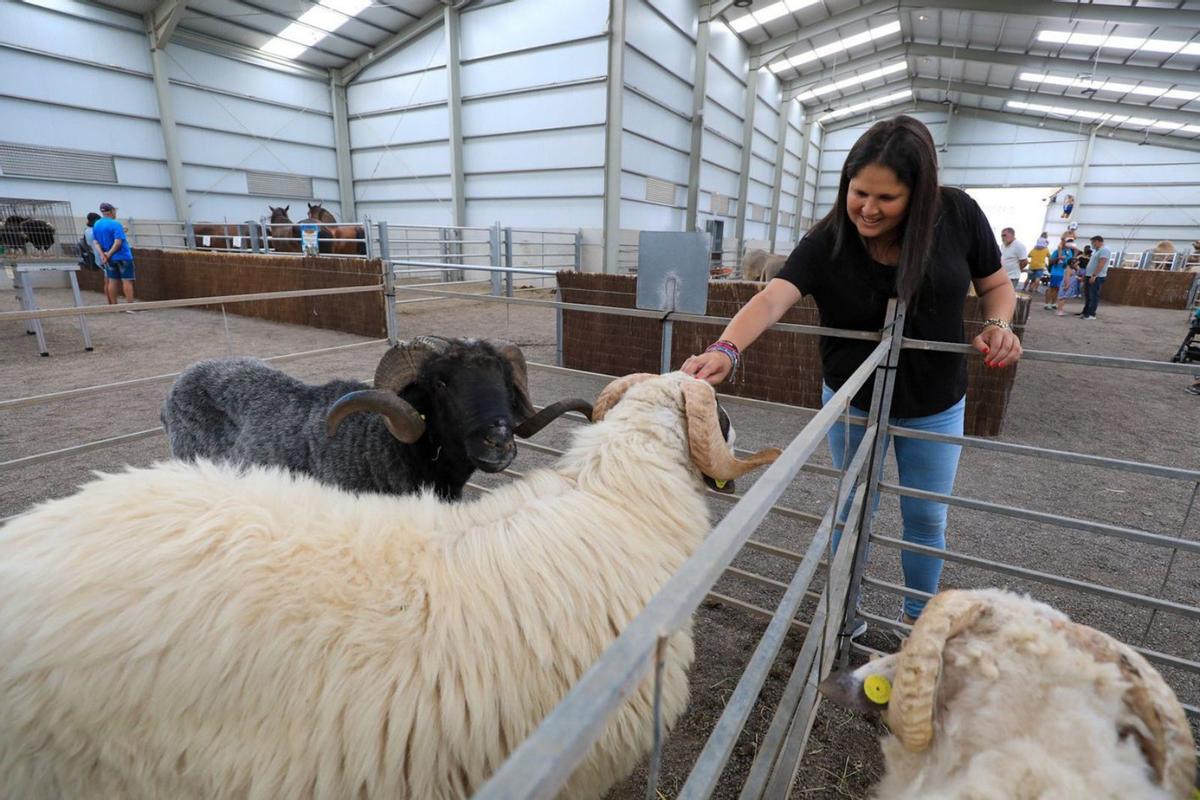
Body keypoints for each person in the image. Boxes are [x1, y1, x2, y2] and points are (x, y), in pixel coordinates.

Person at [681, 115, 1021, 632]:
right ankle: (844, 612)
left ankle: (919, 624)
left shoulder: (957, 215)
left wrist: (999, 324)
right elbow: (772, 298)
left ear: (919, 194)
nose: (868, 208)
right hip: (852, 399)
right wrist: (726, 347)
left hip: (935, 402)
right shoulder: (829, 239)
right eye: (858, 192)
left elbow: (996, 285)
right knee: (854, 504)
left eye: (887, 198)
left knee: (926, 517)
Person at [93, 202, 136, 310]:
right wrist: (109, 253)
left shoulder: (97, 224)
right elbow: (118, 242)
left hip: (108, 258)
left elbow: (96, 242)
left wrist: (104, 255)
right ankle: (130, 307)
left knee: (112, 280)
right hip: (123, 256)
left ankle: (114, 306)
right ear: (112, 211)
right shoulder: (115, 224)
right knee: (127, 280)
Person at [1079, 234, 1111, 320]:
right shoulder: (1096, 251)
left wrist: (1094, 275)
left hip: (1097, 276)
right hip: (1089, 275)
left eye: (1093, 243)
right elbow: (1091, 263)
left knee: (1093, 295)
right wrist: (1086, 274)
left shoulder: (1104, 250)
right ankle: (1085, 312)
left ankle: (1091, 314)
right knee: (1088, 295)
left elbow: (1102, 263)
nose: (1092, 245)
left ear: (1098, 241)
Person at [1046, 234, 1078, 310]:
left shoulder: (1070, 252)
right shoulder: (1057, 251)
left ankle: (1053, 303)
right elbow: (1051, 261)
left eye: (1071, 241)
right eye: (1068, 241)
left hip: (1064, 273)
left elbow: (1069, 263)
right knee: (1052, 288)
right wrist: (1058, 258)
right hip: (1056, 272)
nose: (1070, 243)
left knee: (1058, 289)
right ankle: (1047, 303)